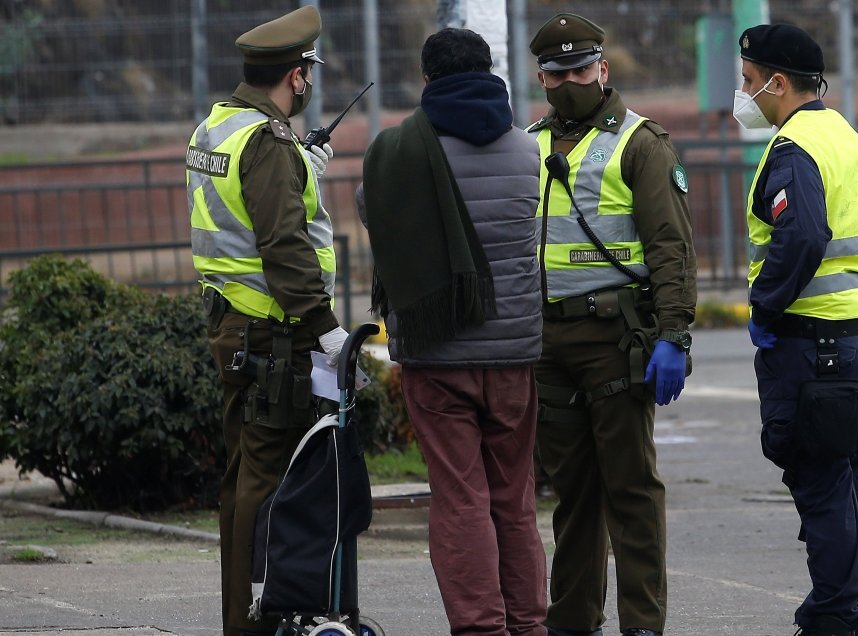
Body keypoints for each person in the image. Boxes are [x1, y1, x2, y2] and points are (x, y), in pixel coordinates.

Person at [361, 28, 547, 636]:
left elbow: (372, 208)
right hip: (514, 355)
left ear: (427, 80)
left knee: (461, 497)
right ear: (489, 72)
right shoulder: (527, 152)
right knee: (514, 500)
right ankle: (528, 625)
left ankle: (480, 629)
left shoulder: (399, 152)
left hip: (438, 356)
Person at [526, 13, 697, 636]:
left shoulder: (640, 143)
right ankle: (572, 622)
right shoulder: (530, 143)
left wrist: (674, 336)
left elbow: (671, 249)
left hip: (617, 340)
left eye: (581, 69)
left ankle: (642, 626)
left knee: (630, 492)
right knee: (573, 499)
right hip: (547, 345)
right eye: (558, 72)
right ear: (540, 77)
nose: (571, 80)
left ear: (603, 69)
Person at [185, 6, 346, 636]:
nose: (307, 83)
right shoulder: (267, 142)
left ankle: (242, 618)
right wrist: (324, 323)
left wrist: (302, 166)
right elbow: (282, 243)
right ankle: (257, 620)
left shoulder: (216, 127)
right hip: (272, 334)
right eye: (306, 71)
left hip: (232, 326)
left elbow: (241, 216)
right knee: (263, 481)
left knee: (241, 479)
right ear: (296, 76)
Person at [735, 24, 858, 636]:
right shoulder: (844, 135)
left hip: (813, 347)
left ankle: (832, 619)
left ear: (778, 82)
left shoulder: (795, 148)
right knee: (848, 487)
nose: (744, 94)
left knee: (823, 489)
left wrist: (765, 309)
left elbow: (801, 235)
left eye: (749, 81)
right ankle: (857, 611)